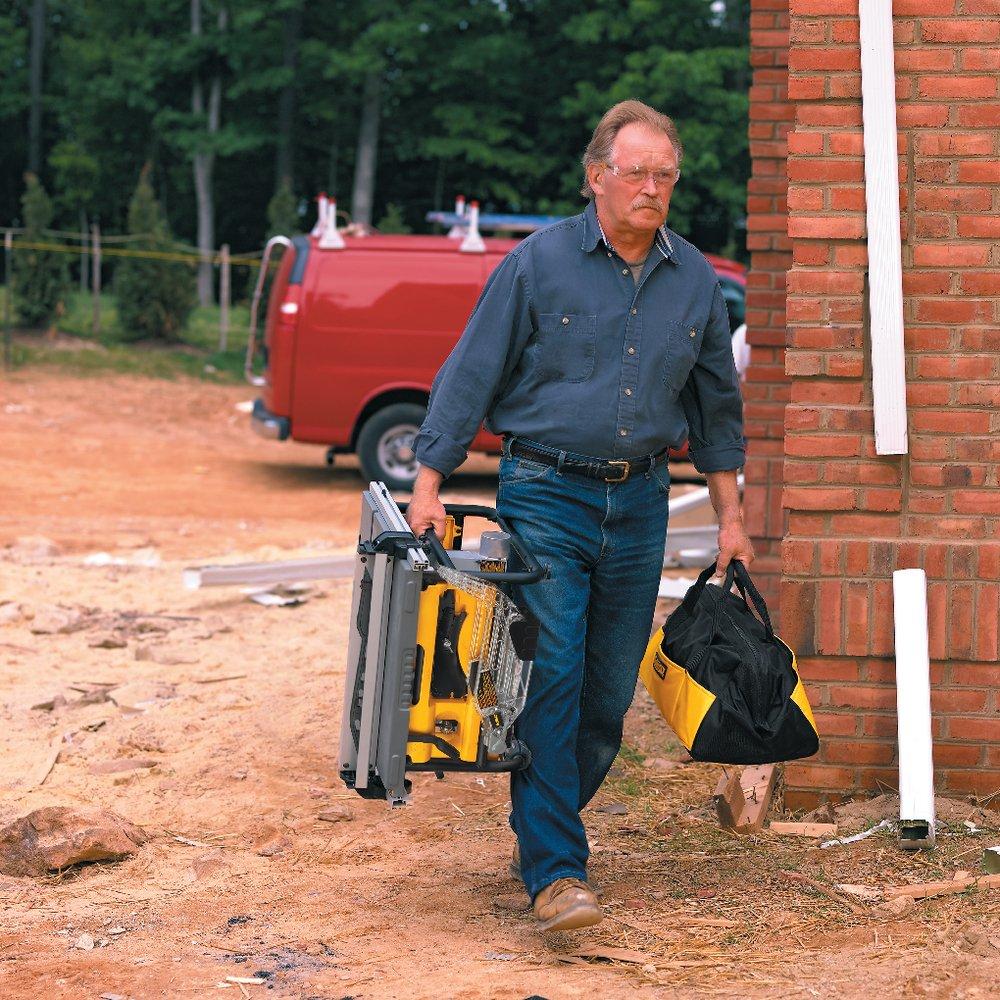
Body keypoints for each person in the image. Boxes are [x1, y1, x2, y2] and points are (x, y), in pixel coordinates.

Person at [406, 100, 753, 932]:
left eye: (666, 175)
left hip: (640, 502)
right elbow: (470, 372)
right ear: (598, 176)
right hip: (546, 493)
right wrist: (426, 481)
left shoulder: (697, 278)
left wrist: (732, 520)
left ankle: (540, 827)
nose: (653, 188)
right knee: (554, 675)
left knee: (605, 693)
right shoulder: (538, 264)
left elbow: (717, 412)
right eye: (637, 172)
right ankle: (558, 869)